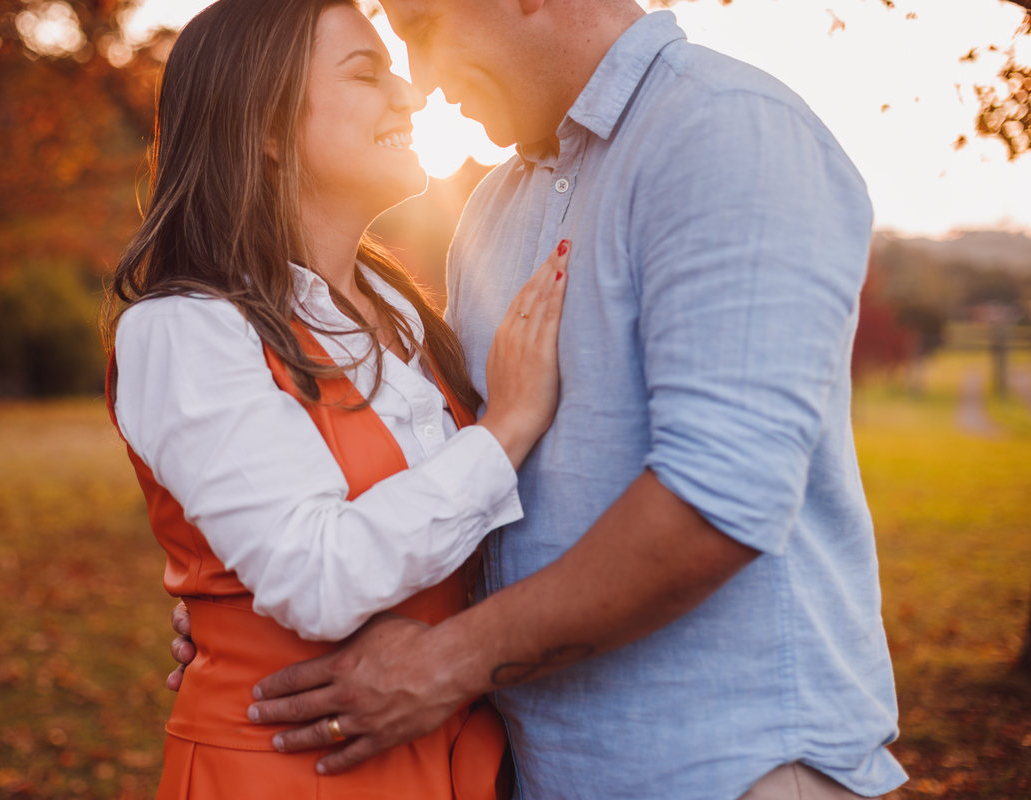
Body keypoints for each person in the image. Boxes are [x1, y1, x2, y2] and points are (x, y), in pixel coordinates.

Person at [169, 1, 911, 798]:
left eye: (419, 29)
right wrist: (252, 615)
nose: (419, 83)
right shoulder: (494, 210)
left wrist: (443, 664)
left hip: (726, 767)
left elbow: (717, 502)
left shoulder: (725, 132)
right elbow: (463, 474)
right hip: (543, 769)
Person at [106, 0, 572, 797]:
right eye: (367, 73)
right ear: (267, 125)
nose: (410, 95)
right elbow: (317, 576)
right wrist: (505, 430)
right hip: (296, 771)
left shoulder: (409, 317)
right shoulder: (185, 330)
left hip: (456, 761)